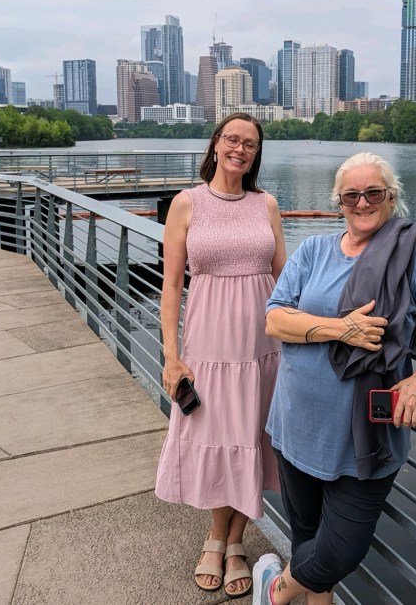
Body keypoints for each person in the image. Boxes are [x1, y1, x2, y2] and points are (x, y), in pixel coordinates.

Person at [251, 152, 416, 605]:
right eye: (351, 194)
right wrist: (342, 329)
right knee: (306, 539)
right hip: (296, 424)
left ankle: (274, 590)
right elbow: (275, 319)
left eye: (374, 192)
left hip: (365, 436)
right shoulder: (314, 250)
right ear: (339, 202)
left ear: (391, 198)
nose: (363, 202)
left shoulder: (415, 255)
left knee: (339, 551)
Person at [155, 112, 287, 599]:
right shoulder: (186, 204)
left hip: (262, 347)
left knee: (251, 437)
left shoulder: (265, 204)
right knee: (220, 436)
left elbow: (284, 280)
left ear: (256, 154)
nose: (240, 149)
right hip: (209, 346)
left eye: (250, 144)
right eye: (232, 139)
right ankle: (217, 535)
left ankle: (235, 541)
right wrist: (172, 355)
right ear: (215, 144)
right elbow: (171, 288)